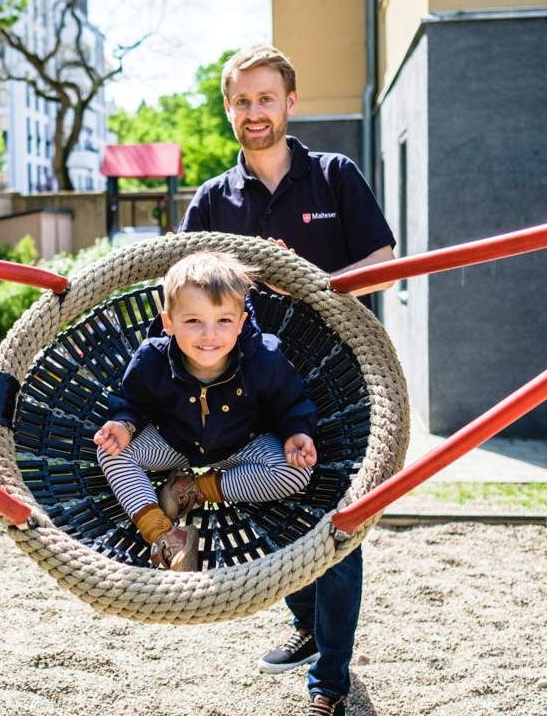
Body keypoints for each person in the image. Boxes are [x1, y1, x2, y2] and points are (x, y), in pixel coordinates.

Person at [179, 45, 397, 716]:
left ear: (290, 103)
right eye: (241, 101)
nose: (254, 112)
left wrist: (299, 279)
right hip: (247, 386)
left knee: (337, 522)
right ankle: (305, 623)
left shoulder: (333, 177)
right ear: (228, 109)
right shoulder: (215, 198)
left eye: (265, 99)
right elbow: (181, 286)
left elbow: (384, 262)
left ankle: (329, 679)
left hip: (336, 382)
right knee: (268, 514)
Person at [94, 250, 319, 571]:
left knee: (295, 472)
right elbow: (132, 401)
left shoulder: (264, 359)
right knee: (111, 453)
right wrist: (123, 426)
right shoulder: (152, 358)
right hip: (173, 443)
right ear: (169, 323)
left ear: (241, 323)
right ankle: (164, 533)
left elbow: (292, 402)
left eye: (223, 320)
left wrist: (297, 431)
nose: (209, 335)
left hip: (241, 444)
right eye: (193, 321)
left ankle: (194, 489)